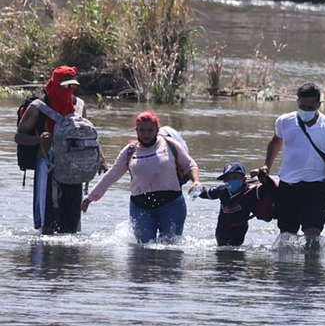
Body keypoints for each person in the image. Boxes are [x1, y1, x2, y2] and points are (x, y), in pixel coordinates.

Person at [81, 111, 201, 243]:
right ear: (136, 130)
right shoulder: (130, 150)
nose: (146, 134)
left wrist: (196, 181)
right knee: (142, 251)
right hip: (140, 206)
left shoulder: (170, 145)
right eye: (142, 130)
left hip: (171, 205)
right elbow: (112, 175)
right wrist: (89, 198)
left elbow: (190, 165)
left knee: (170, 249)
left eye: (150, 130)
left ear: (157, 130)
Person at [14, 66, 104, 234]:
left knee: (71, 227)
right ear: (55, 84)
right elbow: (19, 136)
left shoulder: (79, 106)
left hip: (74, 168)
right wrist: (38, 140)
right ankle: (44, 257)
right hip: (47, 167)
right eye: (65, 86)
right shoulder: (37, 107)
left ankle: (67, 260)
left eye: (72, 86)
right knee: (47, 226)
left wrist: (100, 159)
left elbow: (87, 136)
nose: (69, 90)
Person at [260, 83, 325, 251]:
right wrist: (266, 166)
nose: (306, 110)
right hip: (288, 186)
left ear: (319, 105)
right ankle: (285, 274)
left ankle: (311, 274)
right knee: (286, 235)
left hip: (316, 187)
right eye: (302, 106)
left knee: (313, 236)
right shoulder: (284, 121)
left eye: (310, 107)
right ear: (297, 101)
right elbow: (276, 140)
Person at [198, 162, 277, 246]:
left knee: (234, 251)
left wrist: (261, 174)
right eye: (228, 178)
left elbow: (270, 187)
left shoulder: (251, 191)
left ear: (244, 179)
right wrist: (197, 187)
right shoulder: (221, 190)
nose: (232, 181)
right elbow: (204, 194)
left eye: (235, 177)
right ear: (225, 181)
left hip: (239, 229)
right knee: (221, 250)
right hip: (222, 228)